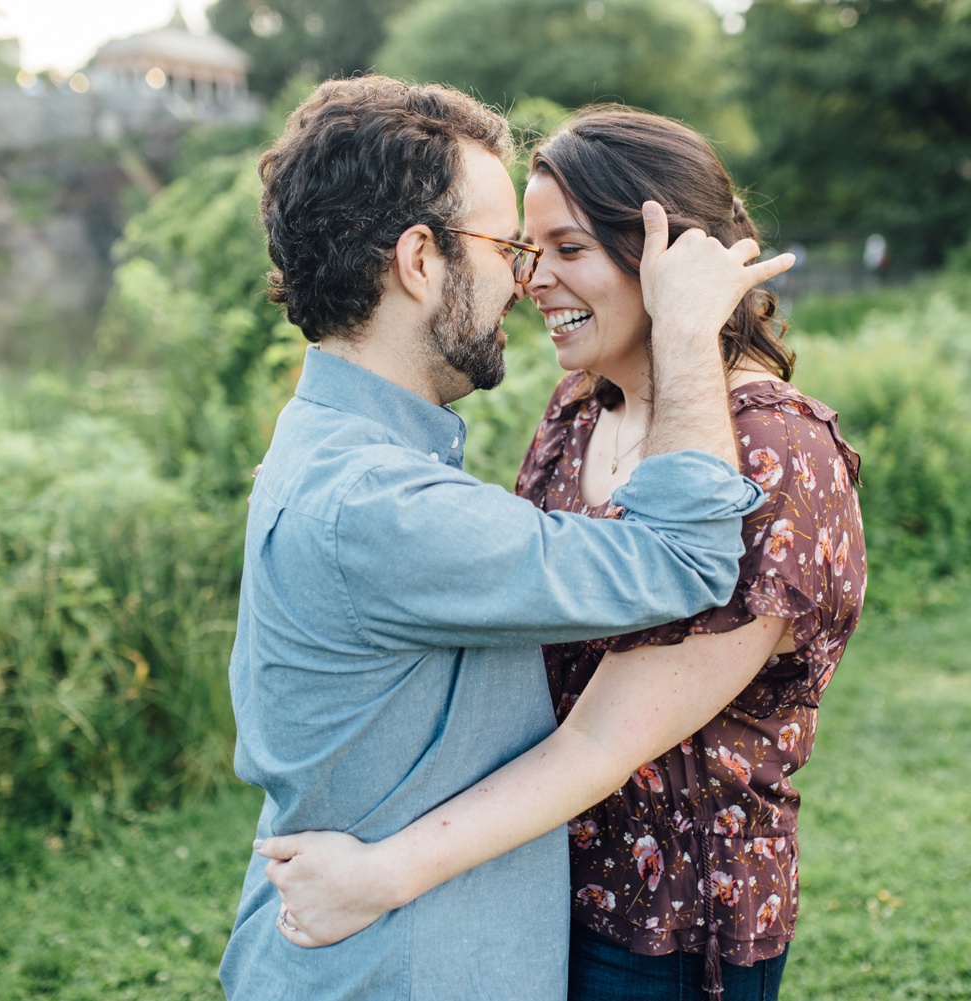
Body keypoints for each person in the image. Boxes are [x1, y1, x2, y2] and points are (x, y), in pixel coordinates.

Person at [255, 108, 867, 1001]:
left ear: (670, 263)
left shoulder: (777, 452)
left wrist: (386, 871)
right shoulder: (580, 407)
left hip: (658, 921)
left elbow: (601, 738)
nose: (531, 281)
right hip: (517, 883)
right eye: (520, 247)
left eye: (566, 247)